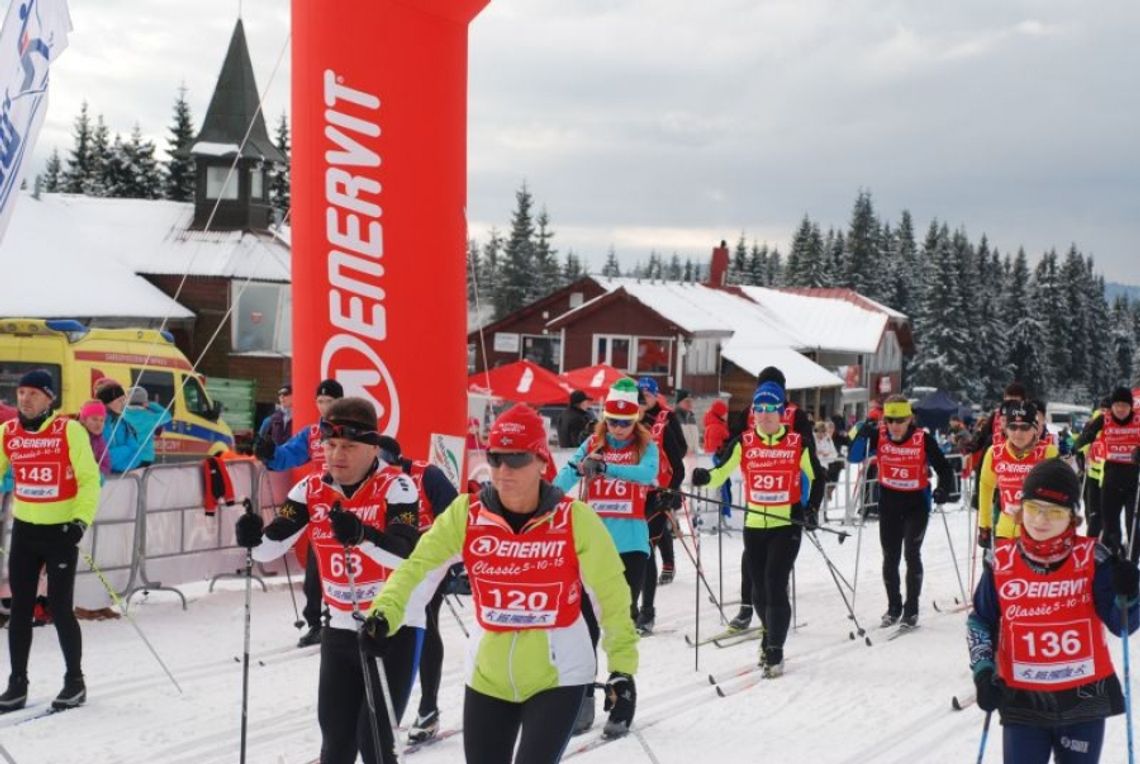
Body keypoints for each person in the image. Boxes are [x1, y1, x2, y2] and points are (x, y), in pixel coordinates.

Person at [365, 403, 640, 761]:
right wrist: (384, 612)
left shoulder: (576, 520)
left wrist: (621, 667)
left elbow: (611, 596)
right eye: (495, 458)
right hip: (487, 676)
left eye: (517, 459)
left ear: (542, 461)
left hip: (558, 676)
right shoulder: (466, 514)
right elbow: (418, 568)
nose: (503, 469)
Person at [235, 397, 424, 764]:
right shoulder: (310, 490)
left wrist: (363, 535)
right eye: (331, 444)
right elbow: (269, 547)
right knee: (335, 747)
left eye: (350, 446)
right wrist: (250, 537)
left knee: (375, 746)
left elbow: (404, 553)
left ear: (373, 447)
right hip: (339, 629)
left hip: (390, 629)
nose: (337, 454)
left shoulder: (397, 487)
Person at [967, 458, 1140, 763]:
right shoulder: (1000, 561)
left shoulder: (1094, 559)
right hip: (1022, 698)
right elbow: (981, 621)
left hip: (1083, 698)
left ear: (1073, 517)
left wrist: (1130, 592)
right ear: (1021, 509)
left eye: (1055, 512)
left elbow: (1122, 625)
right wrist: (983, 672)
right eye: (1034, 508)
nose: (1041, 521)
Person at [691, 380, 823, 677]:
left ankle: (775, 650)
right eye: (758, 410)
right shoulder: (744, 442)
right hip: (753, 526)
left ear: (781, 413)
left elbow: (818, 477)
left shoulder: (796, 443)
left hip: (785, 525)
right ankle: (768, 632)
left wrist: (811, 509)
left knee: (775, 585)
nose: (763, 416)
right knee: (760, 592)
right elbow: (719, 473)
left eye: (770, 410)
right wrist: (703, 477)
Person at [553, 377, 656, 733]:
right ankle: (582, 696)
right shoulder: (592, 443)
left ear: (635, 421)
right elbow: (561, 480)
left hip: (631, 546)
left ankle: (622, 694)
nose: (619, 429)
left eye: (626, 423)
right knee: (584, 625)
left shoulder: (645, 445)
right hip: (592, 547)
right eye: (613, 421)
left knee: (619, 621)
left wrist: (608, 467)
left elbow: (648, 473)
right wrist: (576, 471)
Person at [0, 370, 101, 712]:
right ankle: (17, 684)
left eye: (32, 393)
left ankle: (75, 681)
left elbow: (89, 480)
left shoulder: (68, 430)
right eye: (21, 392)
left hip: (60, 533)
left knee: (59, 608)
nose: (24, 398)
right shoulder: (8, 433)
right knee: (20, 609)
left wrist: (79, 522)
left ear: (49, 398)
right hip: (25, 532)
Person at [375, 435, 459, 745]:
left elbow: (456, 516)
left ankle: (427, 708)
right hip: (387, 561)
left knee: (423, 620)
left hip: (427, 563)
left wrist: (453, 563)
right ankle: (378, 705)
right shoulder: (370, 480)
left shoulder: (427, 475)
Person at [727, 366, 823, 632]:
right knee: (752, 557)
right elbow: (733, 439)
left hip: (790, 486)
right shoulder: (750, 411)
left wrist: (809, 505)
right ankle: (749, 606)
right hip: (758, 491)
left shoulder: (794, 414)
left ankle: (770, 604)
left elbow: (809, 453)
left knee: (773, 562)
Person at [849, 394, 954, 628]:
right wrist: (860, 434)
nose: (895, 426)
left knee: (911, 553)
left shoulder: (923, 439)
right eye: (890, 420)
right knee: (890, 557)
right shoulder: (878, 436)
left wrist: (943, 489)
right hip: (889, 504)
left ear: (910, 420)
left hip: (916, 504)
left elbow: (945, 469)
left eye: (900, 420)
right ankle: (894, 606)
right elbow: (853, 456)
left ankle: (912, 608)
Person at [256, 378, 345, 647]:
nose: (325, 407)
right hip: (319, 506)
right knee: (316, 567)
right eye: (320, 401)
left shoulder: (351, 430)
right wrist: (270, 452)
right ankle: (316, 622)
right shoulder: (312, 433)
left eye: (330, 402)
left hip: (348, 505)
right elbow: (287, 456)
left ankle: (342, 618)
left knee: (343, 567)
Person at [635, 376, 685, 628]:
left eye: (646, 394)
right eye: (637, 395)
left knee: (644, 552)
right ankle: (631, 610)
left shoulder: (664, 420)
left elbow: (680, 460)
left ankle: (647, 613)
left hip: (656, 494)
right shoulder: (622, 424)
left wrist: (671, 491)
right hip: (630, 498)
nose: (642, 399)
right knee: (630, 555)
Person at [977, 401, 1058, 547]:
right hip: (1005, 530)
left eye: (1024, 427)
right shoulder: (994, 453)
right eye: (1012, 427)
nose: (1017, 433)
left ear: (1035, 429)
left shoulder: (1048, 452)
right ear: (1006, 429)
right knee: (999, 569)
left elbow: (1060, 494)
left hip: (1039, 532)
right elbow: (986, 487)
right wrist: (984, 524)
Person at [1073, 386, 1140, 561]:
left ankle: (1132, 560)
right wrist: (1077, 448)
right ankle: (1114, 556)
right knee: (1110, 524)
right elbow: (1087, 434)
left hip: (1134, 480)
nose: (1120, 409)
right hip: (1111, 478)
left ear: (1131, 407)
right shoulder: (1105, 419)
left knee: (1133, 524)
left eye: (1124, 406)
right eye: (1117, 405)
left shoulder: (1138, 420)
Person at [94, 380, 143, 474]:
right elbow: (100, 458)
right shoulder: (95, 424)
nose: (124, 404)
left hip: (121, 481)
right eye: (120, 400)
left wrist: (114, 460)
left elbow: (137, 454)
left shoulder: (124, 424)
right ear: (107, 401)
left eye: (124, 400)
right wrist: (127, 449)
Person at [121, 387, 173, 468]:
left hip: (128, 457)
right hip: (145, 457)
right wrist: (151, 404)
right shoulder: (150, 417)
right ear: (144, 402)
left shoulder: (122, 416)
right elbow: (167, 415)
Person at [703, 399, 732, 521]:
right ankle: (721, 515)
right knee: (722, 488)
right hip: (718, 460)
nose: (727, 415)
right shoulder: (716, 427)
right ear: (719, 413)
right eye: (725, 412)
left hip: (716, 459)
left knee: (723, 486)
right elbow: (715, 447)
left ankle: (721, 515)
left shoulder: (715, 424)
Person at [77, 400, 110, 480]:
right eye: (94, 419)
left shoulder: (99, 441)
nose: (99, 424)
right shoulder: (75, 435)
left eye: (102, 420)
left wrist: (100, 475)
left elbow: (105, 464)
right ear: (83, 420)